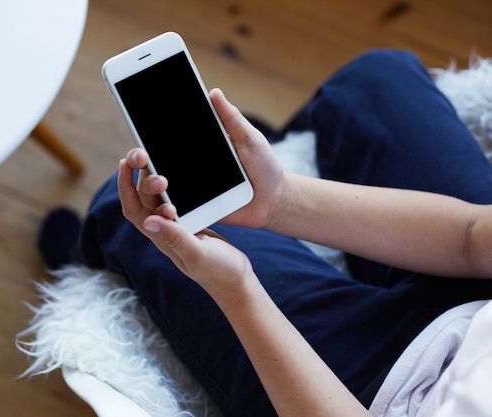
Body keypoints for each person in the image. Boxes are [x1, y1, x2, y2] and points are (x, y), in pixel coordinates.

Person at [38, 49, 492, 417]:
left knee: (129, 214)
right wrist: (282, 200)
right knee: (375, 78)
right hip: (476, 309)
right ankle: (265, 163)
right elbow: (472, 236)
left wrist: (236, 291)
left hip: (371, 397)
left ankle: (94, 257)